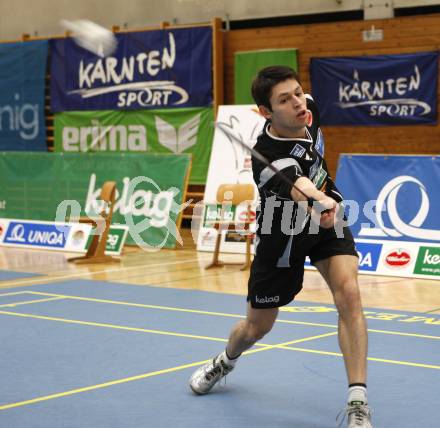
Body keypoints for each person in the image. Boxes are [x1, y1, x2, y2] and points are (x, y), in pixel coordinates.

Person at [189, 66, 372, 428]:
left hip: (327, 226)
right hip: (282, 236)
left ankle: (357, 400)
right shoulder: (269, 158)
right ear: (266, 112)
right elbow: (299, 185)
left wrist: (328, 207)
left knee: (349, 294)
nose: (297, 104)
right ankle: (225, 360)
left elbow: (314, 180)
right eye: (284, 100)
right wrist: (319, 201)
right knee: (255, 329)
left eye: (298, 93)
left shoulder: (309, 109)